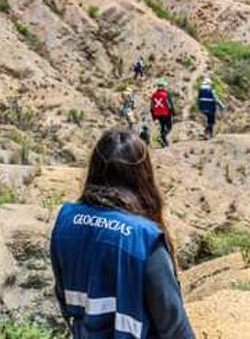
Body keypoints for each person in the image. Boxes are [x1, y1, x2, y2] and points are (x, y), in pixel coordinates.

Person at [49, 128, 195, 339]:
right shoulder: (144, 239)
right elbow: (174, 326)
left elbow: (64, 300)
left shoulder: (65, 222)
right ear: (143, 177)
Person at [150, 79, 175, 148]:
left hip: (157, 114)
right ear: (163, 86)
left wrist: (154, 117)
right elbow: (170, 105)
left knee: (162, 128)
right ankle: (162, 137)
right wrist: (173, 112)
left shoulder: (153, 95)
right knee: (169, 127)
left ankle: (164, 143)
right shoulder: (166, 94)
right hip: (166, 113)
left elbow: (151, 107)